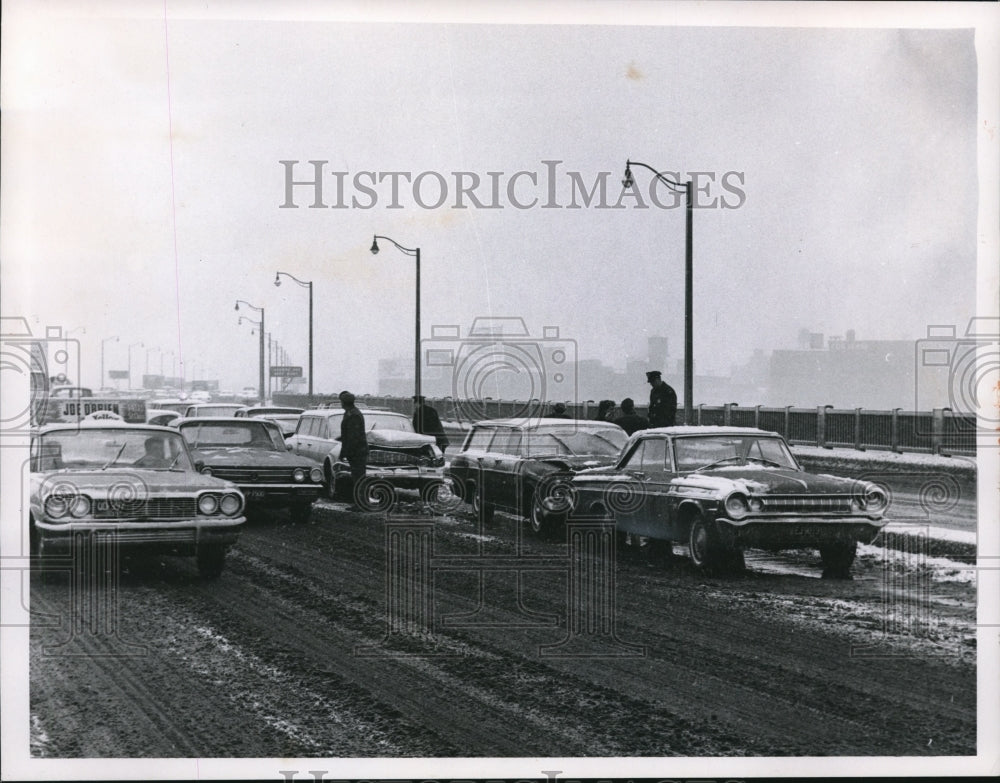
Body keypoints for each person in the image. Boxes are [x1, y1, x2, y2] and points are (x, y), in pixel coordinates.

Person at [338, 390, 368, 493]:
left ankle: (361, 503)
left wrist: (346, 452)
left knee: (359, 478)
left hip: (357, 452)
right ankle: (359, 502)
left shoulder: (353, 415)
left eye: (341, 402)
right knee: (357, 478)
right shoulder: (350, 413)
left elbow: (352, 437)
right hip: (356, 452)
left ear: (344, 403)